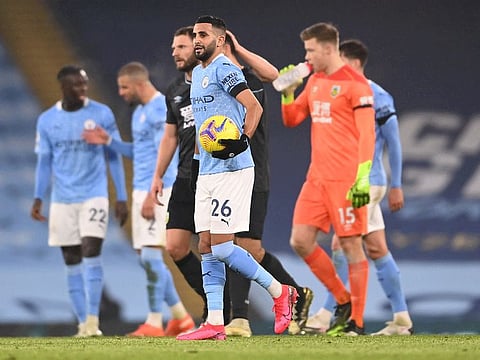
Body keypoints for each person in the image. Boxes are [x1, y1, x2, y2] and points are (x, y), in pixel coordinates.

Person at [175, 15, 297, 341]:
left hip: (233, 169)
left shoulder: (224, 69)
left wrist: (241, 142)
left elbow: (253, 107)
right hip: (208, 169)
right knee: (205, 245)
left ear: (219, 39)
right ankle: (215, 321)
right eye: (195, 35)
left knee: (225, 248)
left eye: (203, 35)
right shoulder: (199, 73)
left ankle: (279, 292)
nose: (197, 40)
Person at [305, 39, 413, 336]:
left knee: (344, 244)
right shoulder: (334, 89)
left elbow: (394, 141)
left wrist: (397, 184)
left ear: (351, 62)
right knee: (376, 248)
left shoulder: (376, 95)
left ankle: (330, 314)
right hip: (349, 181)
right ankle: (402, 318)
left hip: (365, 182)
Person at [82, 62, 195, 337]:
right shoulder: (139, 113)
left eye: (124, 87)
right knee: (146, 257)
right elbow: (141, 151)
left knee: (150, 255)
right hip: (142, 188)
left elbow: (166, 153)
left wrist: (151, 193)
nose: (121, 92)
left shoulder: (160, 109)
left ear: (140, 84)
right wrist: (110, 141)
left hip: (157, 190)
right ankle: (180, 317)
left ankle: (155, 321)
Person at [280, 23, 376, 336]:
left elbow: (367, 134)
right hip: (316, 179)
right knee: (300, 241)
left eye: (309, 50)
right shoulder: (317, 80)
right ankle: (343, 299)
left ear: (327, 49)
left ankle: (356, 323)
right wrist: (288, 92)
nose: (306, 56)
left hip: (346, 180)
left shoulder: (356, 84)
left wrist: (362, 178)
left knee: (351, 246)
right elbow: (293, 118)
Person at [222, 31, 313, 337]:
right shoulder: (211, 82)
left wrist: (238, 46)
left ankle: (239, 318)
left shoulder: (246, 80)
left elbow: (274, 75)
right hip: (223, 174)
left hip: (252, 173)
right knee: (241, 248)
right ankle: (293, 295)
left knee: (243, 248)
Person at [31, 65, 129, 337]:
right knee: (72, 258)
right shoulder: (48, 120)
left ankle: (93, 321)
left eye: (84, 84)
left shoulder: (101, 114)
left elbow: (113, 155)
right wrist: (38, 197)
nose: (82, 89)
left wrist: (120, 195)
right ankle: (82, 324)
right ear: (63, 87)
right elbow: (44, 162)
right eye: (77, 85)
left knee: (91, 250)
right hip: (62, 200)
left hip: (93, 196)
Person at [150, 26, 230, 325]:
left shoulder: (215, 83)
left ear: (197, 49)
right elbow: (169, 137)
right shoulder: (173, 91)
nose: (175, 52)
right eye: (174, 47)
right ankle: (214, 302)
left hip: (211, 176)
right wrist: (158, 176)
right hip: (184, 178)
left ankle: (220, 311)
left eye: (181, 47)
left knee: (212, 246)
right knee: (175, 247)